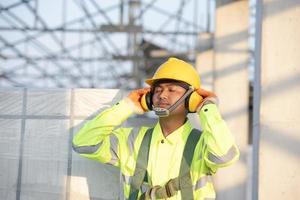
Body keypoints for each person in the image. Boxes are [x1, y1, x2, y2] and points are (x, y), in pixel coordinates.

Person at [72, 57, 239, 200]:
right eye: (158, 90)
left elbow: (224, 156)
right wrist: (126, 106)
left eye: (172, 89)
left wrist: (208, 109)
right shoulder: (131, 140)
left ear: (191, 99)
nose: (162, 95)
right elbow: (84, 143)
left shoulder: (202, 144)